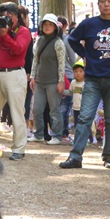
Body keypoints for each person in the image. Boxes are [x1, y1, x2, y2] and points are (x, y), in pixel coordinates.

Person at [60, 0, 110, 170]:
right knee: (85, 117)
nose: (106, 4)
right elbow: (72, 39)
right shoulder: (89, 24)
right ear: (99, 4)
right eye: (103, 1)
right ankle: (76, 156)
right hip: (92, 79)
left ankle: (109, 156)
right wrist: (85, 54)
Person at [0, 2, 31, 161]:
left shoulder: (23, 31)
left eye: (10, 16)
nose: (7, 19)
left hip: (15, 74)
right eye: (4, 16)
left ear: (17, 17)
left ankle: (19, 148)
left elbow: (18, 49)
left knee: (17, 112)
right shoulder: (0, 28)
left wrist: (5, 34)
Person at [28, 13, 65, 145]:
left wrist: (61, 81)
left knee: (54, 110)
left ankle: (57, 135)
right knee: (37, 109)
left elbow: (62, 64)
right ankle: (38, 134)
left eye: (50, 24)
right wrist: (32, 77)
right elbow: (35, 61)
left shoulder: (58, 43)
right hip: (39, 81)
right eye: (45, 24)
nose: (47, 26)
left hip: (53, 82)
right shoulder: (39, 40)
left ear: (55, 27)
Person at [58, 15, 77, 143]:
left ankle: (61, 132)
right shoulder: (62, 40)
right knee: (62, 106)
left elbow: (72, 59)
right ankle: (62, 132)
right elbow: (73, 59)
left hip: (66, 76)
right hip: (61, 77)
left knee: (63, 106)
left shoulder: (65, 40)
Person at [67, 60, 94, 143]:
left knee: (85, 123)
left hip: (84, 108)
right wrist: (63, 92)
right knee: (76, 124)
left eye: (80, 71)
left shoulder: (86, 83)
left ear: (84, 72)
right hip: (75, 108)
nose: (78, 73)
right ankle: (78, 139)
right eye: (75, 71)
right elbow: (70, 92)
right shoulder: (73, 82)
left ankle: (89, 139)